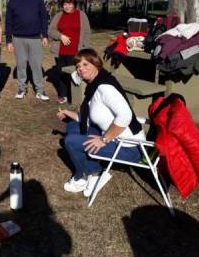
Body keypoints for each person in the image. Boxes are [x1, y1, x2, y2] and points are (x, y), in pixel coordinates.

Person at [57, 48, 145, 196]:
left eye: (85, 64)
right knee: (73, 125)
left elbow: (125, 115)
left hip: (130, 148)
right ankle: (94, 172)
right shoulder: (94, 85)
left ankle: (80, 177)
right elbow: (88, 118)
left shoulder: (104, 87)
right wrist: (67, 113)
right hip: (116, 138)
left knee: (71, 141)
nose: (81, 69)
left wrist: (104, 140)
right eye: (78, 66)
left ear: (96, 64)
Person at [6, 0, 49, 101]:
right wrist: (9, 40)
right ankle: (22, 88)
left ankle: (40, 90)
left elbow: (43, 18)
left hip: (36, 38)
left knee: (36, 65)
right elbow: (8, 22)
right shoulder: (12, 2)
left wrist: (45, 35)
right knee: (21, 64)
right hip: (18, 39)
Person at [48, 0, 91, 104]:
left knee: (76, 73)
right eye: (65, 4)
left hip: (76, 51)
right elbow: (50, 30)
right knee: (61, 72)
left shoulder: (81, 15)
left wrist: (84, 49)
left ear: (74, 5)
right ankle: (63, 95)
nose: (67, 6)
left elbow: (87, 32)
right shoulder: (58, 16)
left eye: (69, 4)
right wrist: (61, 36)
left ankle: (77, 95)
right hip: (61, 51)